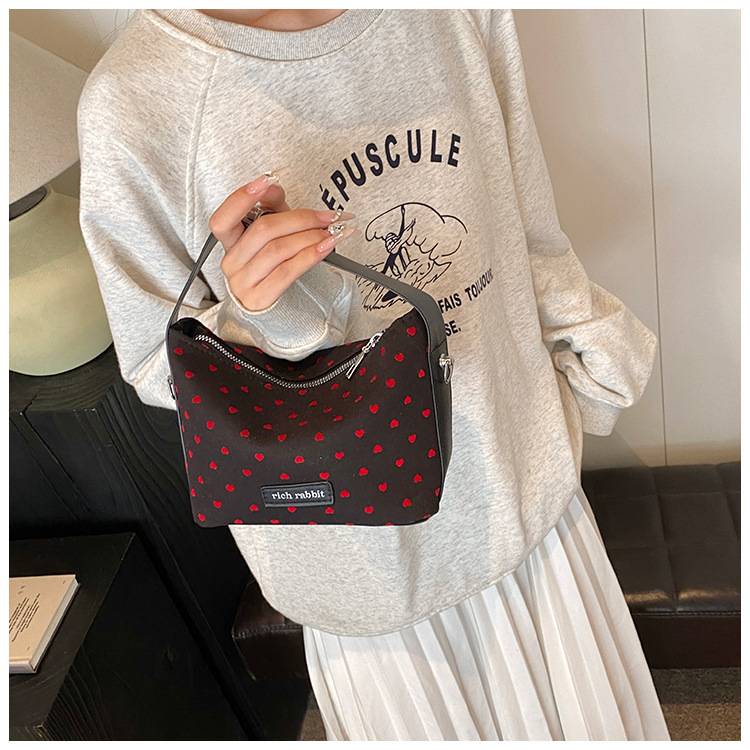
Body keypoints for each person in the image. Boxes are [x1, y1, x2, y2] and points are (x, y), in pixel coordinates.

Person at [78, 9, 670, 741]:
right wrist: (266, 320)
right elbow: (155, 365)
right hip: (367, 574)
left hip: (523, 501)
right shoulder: (136, 99)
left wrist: (590, 374)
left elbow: (526, 228)